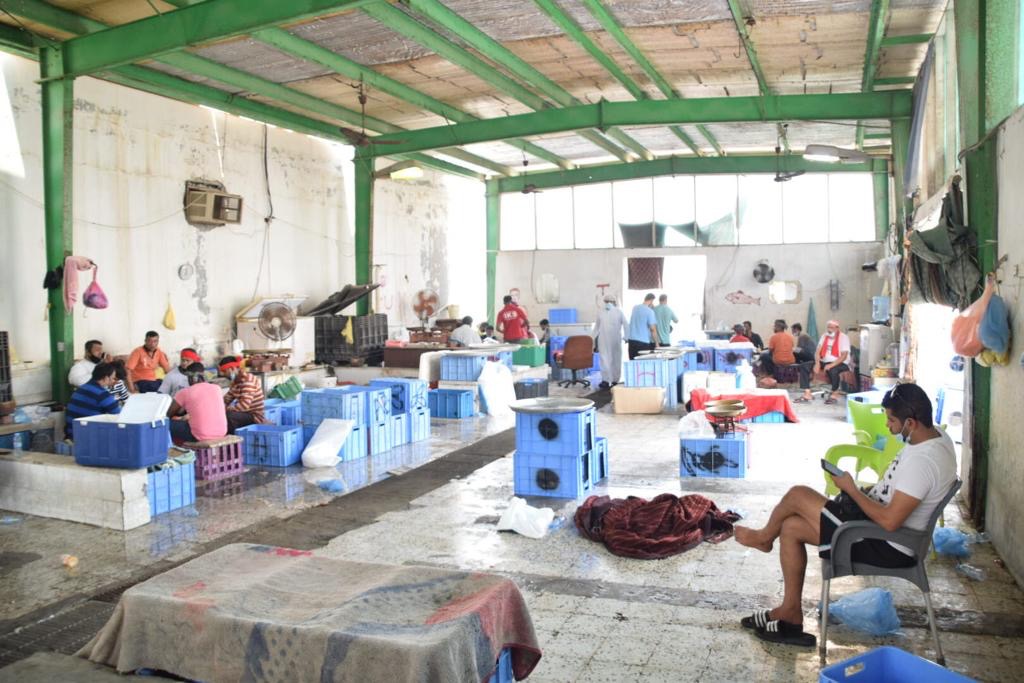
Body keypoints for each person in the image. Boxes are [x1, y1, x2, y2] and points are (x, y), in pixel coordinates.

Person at [733, 383, 955, 646]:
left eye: (891, 420)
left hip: (884, 542)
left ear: (911, 422)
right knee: (791, 527)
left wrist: (852, 489)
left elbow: (889, 521)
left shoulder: (923, 463)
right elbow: (898, 494)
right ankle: (790, 613)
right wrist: (865, 493)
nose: (887, 425)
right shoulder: (936, 437)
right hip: (875, 526)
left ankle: (763, 538)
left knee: (797, 495)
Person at [167, 362, 228, 444]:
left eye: (188, 378)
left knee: (165, 424)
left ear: (192, 378)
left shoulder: (185, 392)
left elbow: (168, 414)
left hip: (199, 436)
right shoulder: (217, 388)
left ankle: (171, 448)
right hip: (222, 432)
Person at [796, 320, 850, 404]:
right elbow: (817, 352)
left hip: (840, 363)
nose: (829, 329)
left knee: (833, 370)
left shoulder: (843, 337)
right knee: (804, 366)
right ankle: (807, 393)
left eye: (832, 328)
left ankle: (834, 394)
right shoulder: (824, 336)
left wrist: (831, 365)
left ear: (837, 328)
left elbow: (844, 356)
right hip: (824, 361)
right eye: (828, 327)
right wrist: (817, 363)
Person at [65, 362, 122, 439]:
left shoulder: (80, 389)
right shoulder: (103, 395)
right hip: (87, 437)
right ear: (106, 378)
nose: (113, 381)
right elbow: (120, 416)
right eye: (113, 378)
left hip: (71, 433)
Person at [220, 356, 267, 432]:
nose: (224, 374)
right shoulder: (236, 382)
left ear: (232, 369)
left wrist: (226, 409)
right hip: (244, 414)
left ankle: (233, 437)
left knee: (229, 416)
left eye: (225, 371)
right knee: (222, 413)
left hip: (254, 417)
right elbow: (226, 399)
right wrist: (219, 407)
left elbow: (244, 405)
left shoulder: (248, 380)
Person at [591, 294, 629, 389]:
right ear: (614, 302)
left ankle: (608, 380)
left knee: (607, 359)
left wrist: (591, 339)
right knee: (613, 360)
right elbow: (626, 325)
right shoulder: (617, 312)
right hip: (612, 339)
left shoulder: (603, 312)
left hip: (607, 339)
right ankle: (612, 380)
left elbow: (596, 328)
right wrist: (626, 337)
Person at [627, 293, 658, 360]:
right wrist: (657, 343)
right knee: (643, 363)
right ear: (651, 300)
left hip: (632, 341)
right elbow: (653, 329)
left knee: (632, 362)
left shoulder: (635, 308)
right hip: (643, 343)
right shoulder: (650, 312)